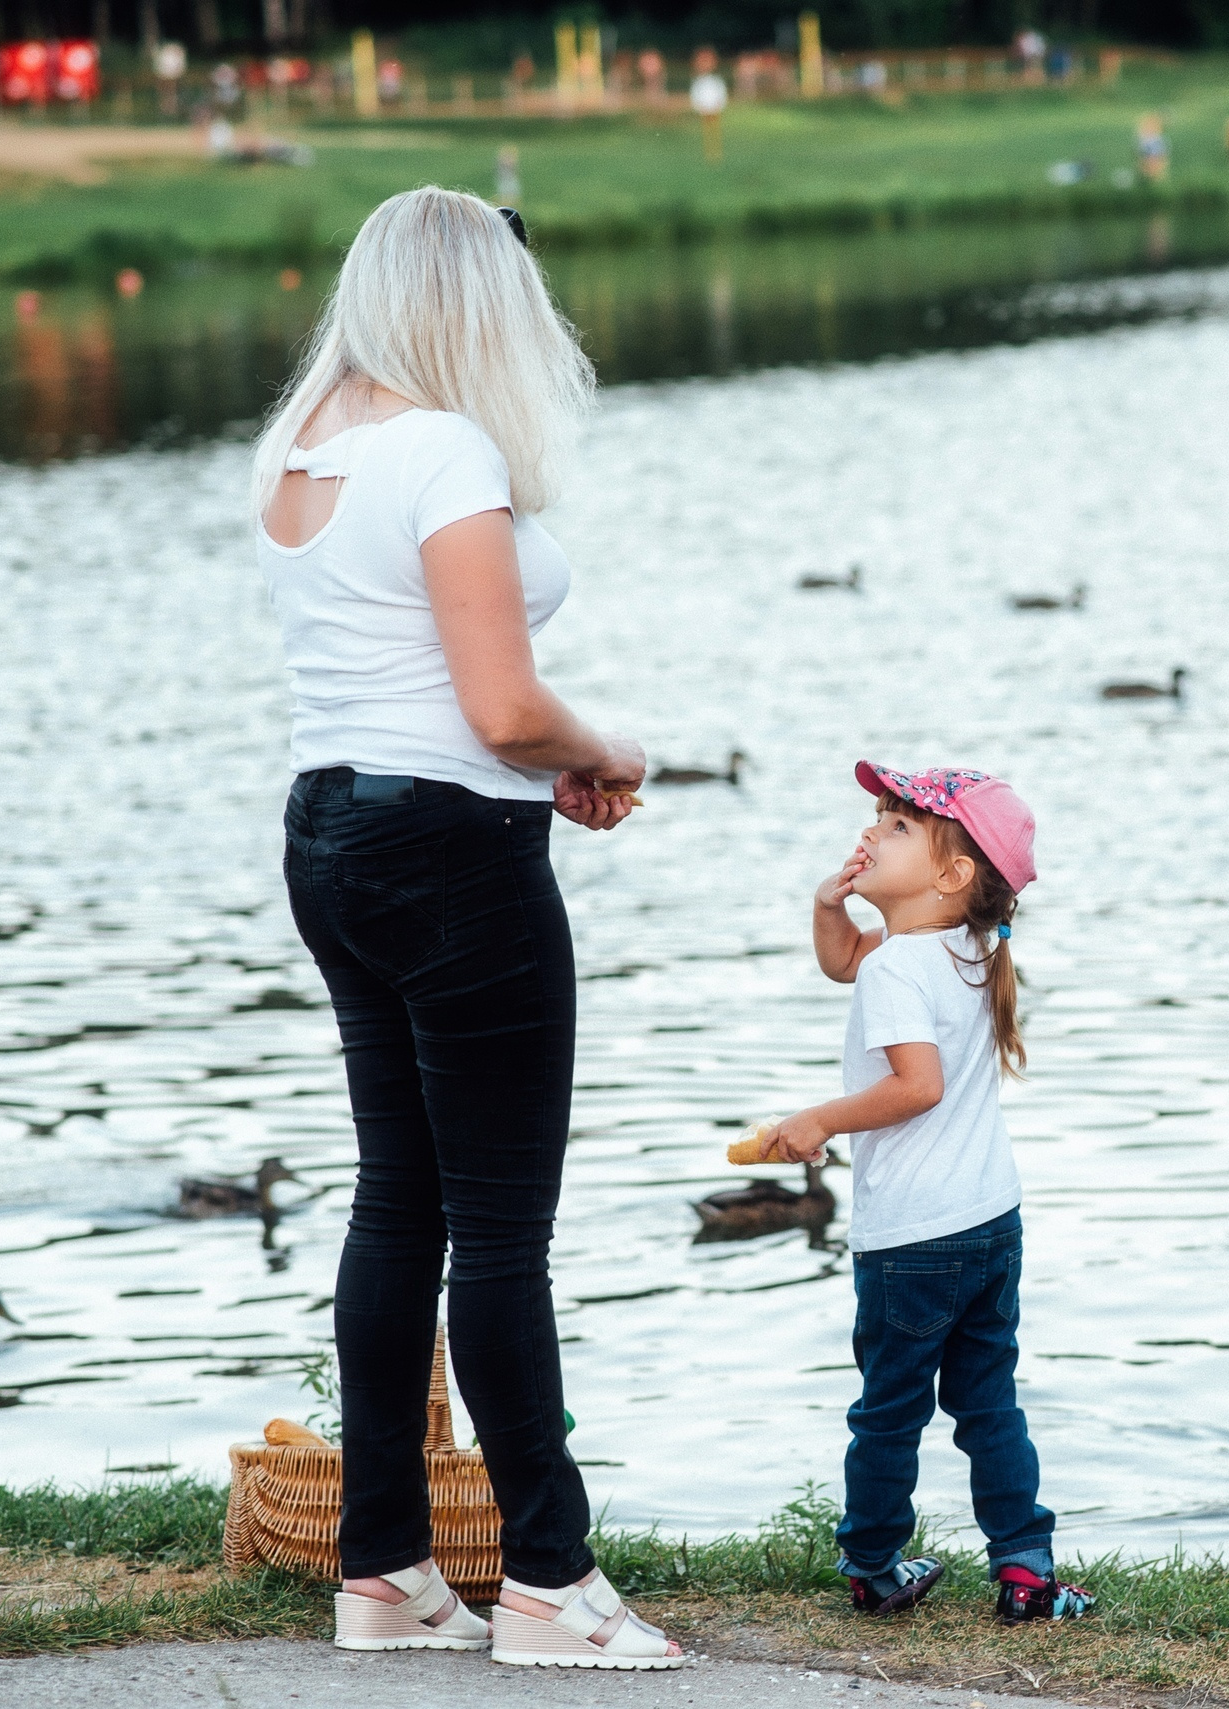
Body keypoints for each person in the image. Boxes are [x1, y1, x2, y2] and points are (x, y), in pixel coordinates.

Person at [252, 186, 683, 1670]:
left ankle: (381, 1569)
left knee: (398, 1205)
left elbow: (407, 678)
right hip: (452, 857)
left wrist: (538, 760)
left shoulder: (305, 443)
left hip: (330, 834)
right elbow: (500, 709)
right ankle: (551, 1585)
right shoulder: (441, 448)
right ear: (479, 304)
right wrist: (603, 749)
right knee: (502, 1233)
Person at [758, 763, 1094, 1624]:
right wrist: (829, 904)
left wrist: (819, 1119)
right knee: (988, 1403)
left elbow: (918, 1086)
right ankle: (1026, 1569)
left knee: (889, 1411)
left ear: (952, 874)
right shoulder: (966, 947)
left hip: (912, 1237)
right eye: (878, 817)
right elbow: (844, 960)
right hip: (990, 1220)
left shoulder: (900, 967)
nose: (872, 830)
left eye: (899, 825)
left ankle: (873, 1567)